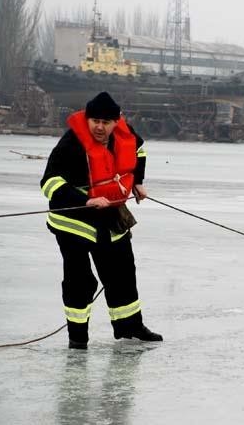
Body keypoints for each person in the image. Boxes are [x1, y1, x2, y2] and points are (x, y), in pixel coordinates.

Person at [40, 91, 162, 349]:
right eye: (94, 120)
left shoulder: (125, 136)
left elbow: (139, 150)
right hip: (74, 220)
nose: (99, 127)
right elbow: (49, 183)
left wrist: (138, 181)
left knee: (123, 272)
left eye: (105, 122)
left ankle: (130, 328)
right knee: (80, 279)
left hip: (109, 213)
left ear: (116, 122)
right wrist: (85, 201)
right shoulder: (71, 143)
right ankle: (78, 338)